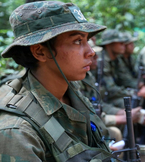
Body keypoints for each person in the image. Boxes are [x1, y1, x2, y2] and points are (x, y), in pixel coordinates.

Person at [0, 1, 115, 161]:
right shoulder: (17, 131)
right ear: (40, 52)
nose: (90, 52)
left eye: (87, 40)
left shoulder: (72, 92)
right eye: (77, 41)